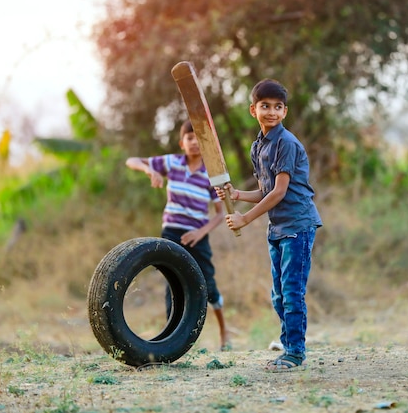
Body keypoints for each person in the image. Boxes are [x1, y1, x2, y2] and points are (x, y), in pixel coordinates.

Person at [215, 79, 322, 372]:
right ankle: (288, 345)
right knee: (278, 294)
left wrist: (245, 219)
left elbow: (279, 192)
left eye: (277, 107)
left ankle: (295, 352)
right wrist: (236, 195)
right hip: (277, 229)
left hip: (297, 226)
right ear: (253, 110)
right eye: (265, 106)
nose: (271, 112)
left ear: (284, 111)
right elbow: (265, 190)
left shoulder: (286, 143)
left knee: (291, 292)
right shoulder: (258, 146)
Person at [125, 120, 230, 351]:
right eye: (189, 138)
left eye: (198, 139)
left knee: (207, 285)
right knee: (172, 284)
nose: (194, 143)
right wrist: (149, 169)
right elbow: (131, 161)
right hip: (171, 232)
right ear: (182, 143)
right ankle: (170, 340)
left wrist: (199, 233)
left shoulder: (211, 173)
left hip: (198, 235)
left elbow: (220, 214)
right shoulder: (172, 162)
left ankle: (224, 332)